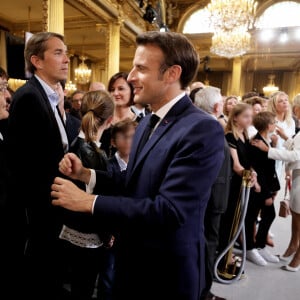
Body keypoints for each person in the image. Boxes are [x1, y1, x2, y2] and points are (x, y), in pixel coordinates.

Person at [51, 31, 225, 300]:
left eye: (141, 68)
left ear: (171, 74)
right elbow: (134, 183)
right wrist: (87, 174)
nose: (130, 76)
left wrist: (89, 202)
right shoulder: (147, 121)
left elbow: (169, 211)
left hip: (166, 273)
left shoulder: (202, 129)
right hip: (132, 263)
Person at [6, 31, 70, 299]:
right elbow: (28, 164)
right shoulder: (30, 97)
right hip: (39, 208)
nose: (67, 59)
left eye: (66, 52)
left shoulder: (50, 96)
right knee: (38, 277)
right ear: (37, 60)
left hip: (50, 204)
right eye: (58, 53)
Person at [60, 90, 115, 300]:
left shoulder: (74, 144)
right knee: (84, 288)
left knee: (77, 287)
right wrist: (107, 234)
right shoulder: (95, 155)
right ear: (109, 121)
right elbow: (95, 204)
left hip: (70, 231)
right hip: (90, 236)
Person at [251, 96, 300, 272]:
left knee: (288, 216)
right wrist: (283, 138)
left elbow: (296, 154)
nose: (293, 110)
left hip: (288, 178)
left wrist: (270, 149)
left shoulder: (265, 142)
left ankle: (294, 257)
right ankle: (284, 247)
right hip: (275, 183)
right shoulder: (259, 141)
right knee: (287, 215)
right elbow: (295, 147)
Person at [194, 86, 231, 300]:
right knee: (208, 244)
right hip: (211, 201)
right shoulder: (210, 127)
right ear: (217, 107)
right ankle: (204, 292)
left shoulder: (199, 124)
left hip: (207, 200)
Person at [218, 103, 262, 269]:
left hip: (243, 184)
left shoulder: (245, 135)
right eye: (246, 116)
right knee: (230, 221)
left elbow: (247, 162)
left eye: (251, 116)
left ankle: (228, 255)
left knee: (237, 222)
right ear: (235, 117)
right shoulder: (230, 136)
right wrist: (249, 175)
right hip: (233, 185)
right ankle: (224, 258)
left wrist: (253, 174)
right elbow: (236, 166)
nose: (250, 119)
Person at [249, 111, 281, 263]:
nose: (276, 124)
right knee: (261, 216)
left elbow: (271, 169)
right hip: (259, 188)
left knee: (267, 215)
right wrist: (267, 193)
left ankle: (260, 246)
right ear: (269, 126)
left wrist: (274, 188)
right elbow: (260, 170)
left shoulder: (267, 140)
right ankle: (255, 247)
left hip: (267, 186)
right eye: (274, 122)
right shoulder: (257, 142)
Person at [100, 72, 136, 157]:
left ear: (132, 91)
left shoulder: (142, 123)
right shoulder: (101, 121)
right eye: (112, 89)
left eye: (121, 89)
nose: (115, 93)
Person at [267, 91, 295, 178]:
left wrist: (288, 169)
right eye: (280, 101)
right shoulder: (269, 120)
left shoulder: (290, 122)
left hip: (285, 160)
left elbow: (291, 145)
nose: (285, 102)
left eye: (286, 100)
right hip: (271, 158)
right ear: (274, 105)